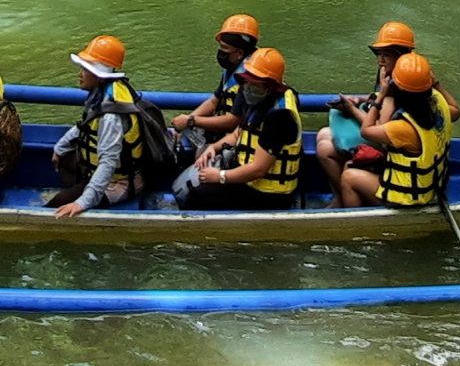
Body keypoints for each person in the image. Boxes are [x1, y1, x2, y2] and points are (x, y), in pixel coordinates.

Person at [313, 21, 459, 192]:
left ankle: (344, 201)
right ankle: (343, 197)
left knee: (326, 149)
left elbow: (376, 130)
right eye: (379, 54)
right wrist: (361, 100)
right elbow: (453, 111)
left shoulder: (402, 85)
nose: (380, 60)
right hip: (393, 137)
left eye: (386, 55)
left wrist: (354, 109)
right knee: (323, 135)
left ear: (400, 54)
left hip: (388, 144)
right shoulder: (412, 75)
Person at [47, 34, 165, 217]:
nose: (80, 74)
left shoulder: (111, 116)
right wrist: (60, 147)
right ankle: (81, 187)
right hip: (109, 172)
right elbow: (85, 125)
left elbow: (108, 163)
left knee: (55, 206)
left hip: (120, 183)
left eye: (85, 70)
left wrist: (81, 203)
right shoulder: (107, 92)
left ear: (99, 76)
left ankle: (85, 193)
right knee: (63, 157)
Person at [176, 46, 304, 211]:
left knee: (198, 195)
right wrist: (213, 148)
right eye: (246, 82)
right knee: (194, 179)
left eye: (255, 84)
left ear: (271, 86)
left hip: (267, 195)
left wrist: (220, 176)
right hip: (246, 179)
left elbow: (258, 169)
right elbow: (239, 133)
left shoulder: (279, 117)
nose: (248, 88)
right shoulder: (258, 99)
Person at [335, 52, 453, 208]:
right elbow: (456, 110)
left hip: (407, 198)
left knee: (348, 177)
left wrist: (382, 94)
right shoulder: (439, 102)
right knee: (350, 164)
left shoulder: (403, 127)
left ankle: (358, 227)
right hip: (433, 184)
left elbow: (367, 131)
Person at [172, 14, 260, 143]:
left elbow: (232, 121)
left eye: (224, 48)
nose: (221, 53)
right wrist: (188, 119)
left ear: (239, 53)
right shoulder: (232, 67)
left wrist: (191, 121)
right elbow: (214, 101)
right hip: (223, 135)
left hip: (238, 139)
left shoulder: (251, 78)